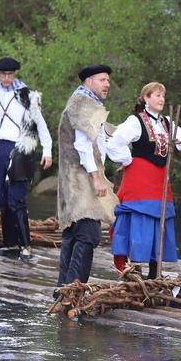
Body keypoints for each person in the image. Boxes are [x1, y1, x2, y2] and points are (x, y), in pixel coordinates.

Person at [106, 82, 181, 280]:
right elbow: (114, 142)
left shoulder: (167, 122)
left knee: (159, 222)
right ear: (146, 98)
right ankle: (134, 273)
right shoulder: (135, 121)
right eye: (157, 95)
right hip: (139, 179)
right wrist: (127, 160)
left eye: (163, 95)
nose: (161, 99)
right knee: (138, 222)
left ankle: (154, 274)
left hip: (160, 179)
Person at [0, 57, 52, 260]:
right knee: (3, 199)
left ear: (15, 74)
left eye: (10, 74)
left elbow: (40, 124)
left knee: (17, 199)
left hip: (22, 149)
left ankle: (25, 246)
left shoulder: (28, 95)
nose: (7, 78)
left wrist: (47, 150)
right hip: (2, 147)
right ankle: (9, 244)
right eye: (3, 74)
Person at [56, 64, 118, 286]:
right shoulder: (83, 104)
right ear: (88, 81)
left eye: (108, 81)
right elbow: (83, 145)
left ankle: (63, 289)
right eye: (102, 80)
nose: (107, 84)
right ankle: (74, 290)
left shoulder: (86, 103)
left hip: (74, 181)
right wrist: (95, 176)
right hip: (80, 180)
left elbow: (103, 140)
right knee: (88, 234)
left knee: (73, 233)